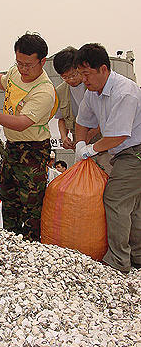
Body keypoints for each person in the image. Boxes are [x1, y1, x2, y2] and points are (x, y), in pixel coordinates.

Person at [0, 32, 57, 241]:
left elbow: (22, 123)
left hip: (32, 150)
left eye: (29, 65)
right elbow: (3, 82)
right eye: (19, 62)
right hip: (11, 147)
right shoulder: (15, 72)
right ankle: (10, 243)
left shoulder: (44, 91)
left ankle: (32, 248)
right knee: (8, 197)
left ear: (42, 61)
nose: (23, 69)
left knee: (30, 204)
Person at [74, 43, 141, 273]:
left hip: (135, 152)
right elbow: (82, 121)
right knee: (134, 207)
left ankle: (119, 261)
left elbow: (117, 135)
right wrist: (80, 143)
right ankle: (137, 256)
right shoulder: (93, 92)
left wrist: (91, 150)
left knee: (115, 198)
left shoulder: (125, 92)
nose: (84, 79)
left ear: (103, 69)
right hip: (123, 152)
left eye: (87, 74)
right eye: (81, 74)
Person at [53, 46, 112, 174]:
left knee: (106, 176)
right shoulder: (60, 91)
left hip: (103, 140)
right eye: (65, 77)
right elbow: (61, 119)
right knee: (83, 180)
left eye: (73, 75)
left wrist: (91, 134)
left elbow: (110, 117)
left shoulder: (95, 85)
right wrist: (64, 137)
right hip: (80, 141)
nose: (70, 80)